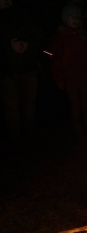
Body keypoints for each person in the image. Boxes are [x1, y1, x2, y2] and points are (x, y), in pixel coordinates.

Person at [49, 2, 87, 136]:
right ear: (65, 19)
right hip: (70, 77)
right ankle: (76, 125)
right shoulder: (61, 38)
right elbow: (56, 60)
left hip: (85, 75)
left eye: (77, 17)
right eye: (71, 17)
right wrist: (59, 79)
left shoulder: (86, 35)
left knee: (86, 103)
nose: (75, 20)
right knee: (75, 104)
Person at [0, 0, 44, 144]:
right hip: (7, 70)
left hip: (27, 66)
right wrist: (8, 47)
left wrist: (27, 45)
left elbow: (36, 33)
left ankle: (31, 137)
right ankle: (16, 140)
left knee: (29, 104)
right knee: (12, 106)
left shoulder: (24, 12)